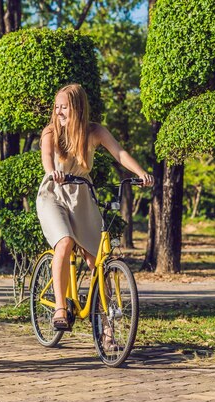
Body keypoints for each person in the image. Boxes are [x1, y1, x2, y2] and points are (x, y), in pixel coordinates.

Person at [36, 83, 154, 331]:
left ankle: (108, 329)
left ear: (77, 108)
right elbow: (47, 157)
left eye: (64, 107)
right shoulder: (51, 133)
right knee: (65, 242)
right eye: (56, 107)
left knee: (97, 261)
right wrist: (53, 173)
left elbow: (119, 154)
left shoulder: (95, 131)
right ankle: (60, 308)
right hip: (54, 194)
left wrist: (141, 172)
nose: (59, 112)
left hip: (81, 194)